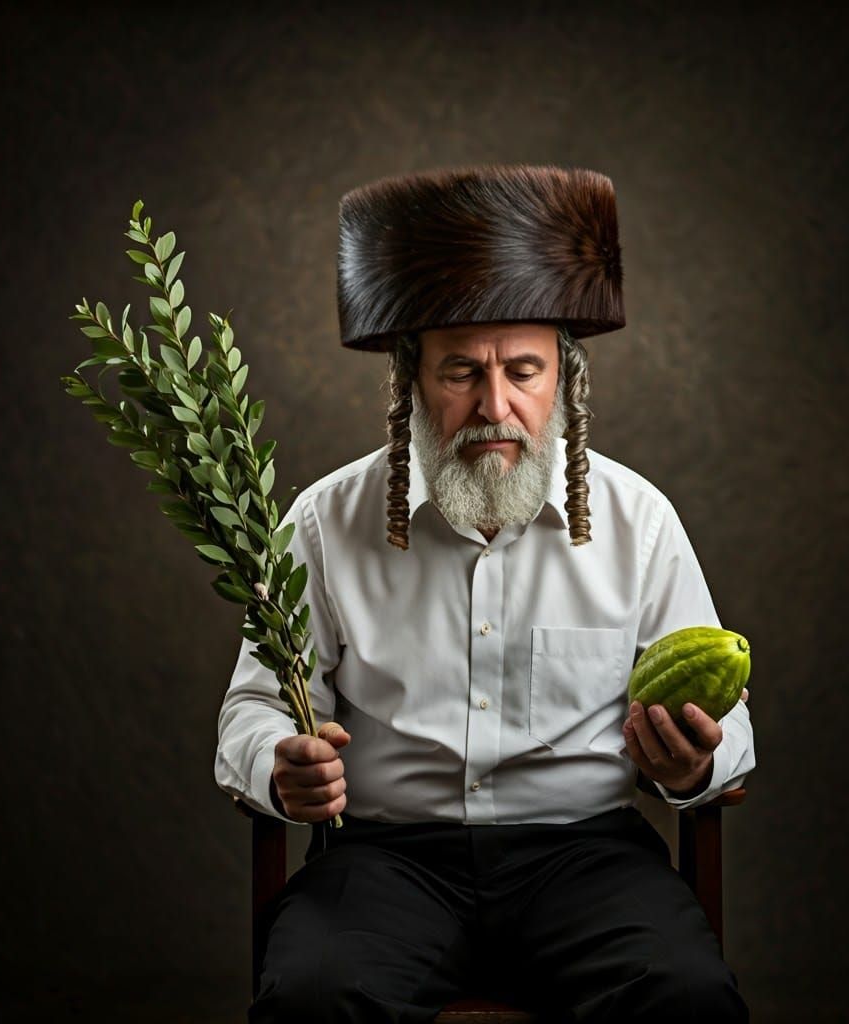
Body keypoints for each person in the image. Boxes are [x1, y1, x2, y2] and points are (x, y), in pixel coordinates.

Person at [215, 164, 755, 1023]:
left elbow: (734, 732)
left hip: (587, 861)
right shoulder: (323, 521)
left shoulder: (639, 521)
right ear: (411, 384)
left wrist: (696, 765)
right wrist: (280, 771)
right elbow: (251, 709)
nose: (494, 404)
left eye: (525, 371)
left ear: (564, 382)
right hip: (385, 863)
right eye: (461, 371)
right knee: (311, 998)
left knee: (685, 997)